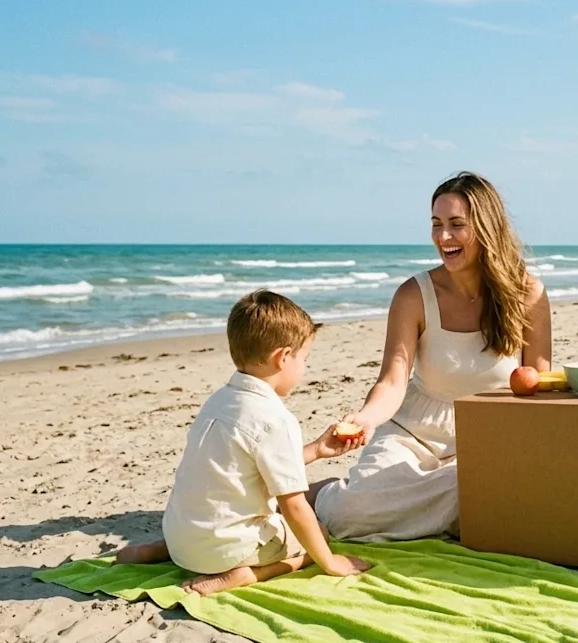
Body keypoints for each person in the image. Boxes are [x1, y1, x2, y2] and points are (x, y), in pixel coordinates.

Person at [312, 171, 552, 542]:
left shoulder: (528, 294)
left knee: (488, 497)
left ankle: (420, 506)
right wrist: (364, 418)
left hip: (486, 439)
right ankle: (328, 493)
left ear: (486, 228)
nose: (443, 237)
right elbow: (392, 381)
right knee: (348, 516)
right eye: (436, 225)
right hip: (412, 434)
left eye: (457, 225)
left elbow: (539, 378)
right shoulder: (413, 295)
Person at [113, 290, 370, 595]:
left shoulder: (218, 401)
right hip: (226, 553)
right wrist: (329, 561)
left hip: (181, 540)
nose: (305, 368)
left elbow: (247, 465)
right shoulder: (275, 418)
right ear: (283, 358)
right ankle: (247, 575)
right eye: (305, 359)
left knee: (213, 515)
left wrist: (316, 450)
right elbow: (295, 506)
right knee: (319, 536)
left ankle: (154, 552)